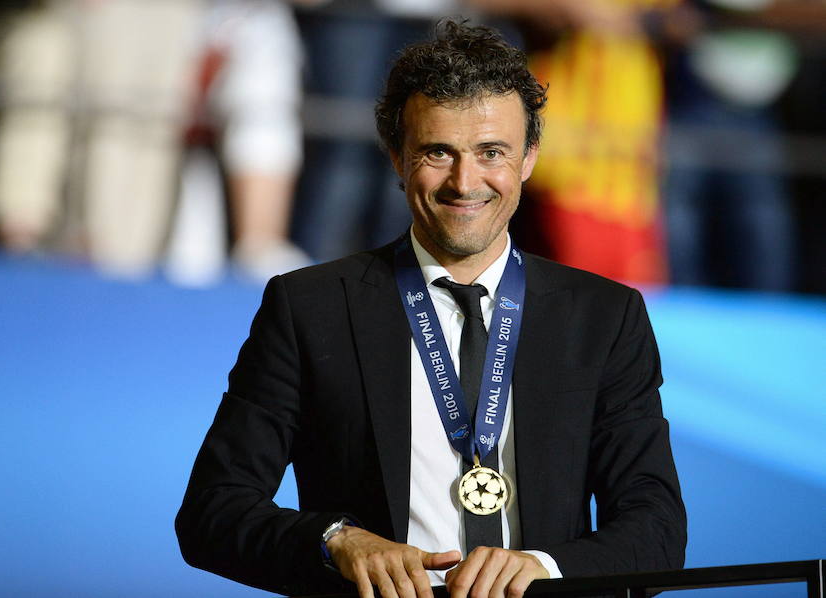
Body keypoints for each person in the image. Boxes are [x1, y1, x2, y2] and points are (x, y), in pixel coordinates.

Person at [176, 20, 686, 598]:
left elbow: (657, 528)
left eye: (491, 152)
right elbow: (211, 512)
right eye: (437, 152)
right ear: (396, 159)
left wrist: (545, 567)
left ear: (529, 159)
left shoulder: (604, 316)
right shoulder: (309, 307)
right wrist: (336, 539)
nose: (465, 182)